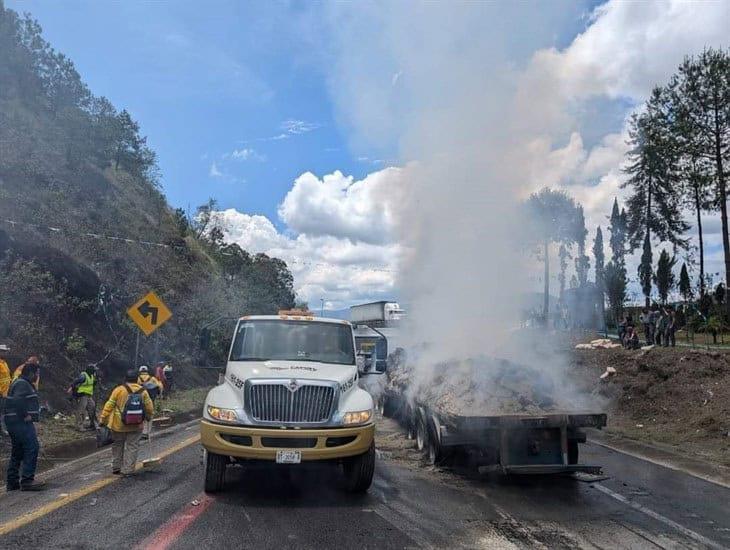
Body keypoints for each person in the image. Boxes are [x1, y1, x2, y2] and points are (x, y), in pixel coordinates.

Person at [100, 369, 154, 476]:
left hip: (118, 425)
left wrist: (103, 420)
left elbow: (108, 406)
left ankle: (116, 467)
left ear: (125, 379)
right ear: (137, 379)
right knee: (132, 446)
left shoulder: (119, 390)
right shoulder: (143, 391)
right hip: (136, 425)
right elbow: (150, 408)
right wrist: (148, 417)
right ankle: (129, 470)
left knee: (117, 445)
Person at [4, 362, 45, 491]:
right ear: (31, 373)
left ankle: (12, 482)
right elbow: (17, 400)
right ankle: (27, 480)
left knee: (18, 451)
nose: (37, 376)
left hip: (14, 422)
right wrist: (25, 415)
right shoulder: (22, 383)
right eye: (37, 374)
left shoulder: (21, 382)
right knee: (32, 447)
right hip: (20, 422)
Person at [71, 364, 98, 431]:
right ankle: (79, 426)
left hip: (89, 395)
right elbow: (75, 382)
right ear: (90, 370)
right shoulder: (83, 376)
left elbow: (93, 384)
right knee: (81, 411)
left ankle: (93, 424)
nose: (95, 371)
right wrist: (74, 393)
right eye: (94, 370)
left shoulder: (92, 376)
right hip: (82, 395)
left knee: (92, 408)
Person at [137, 366, 162, 437]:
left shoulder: (137, 378)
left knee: (140, 414)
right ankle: (146, 432)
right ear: (147, 371)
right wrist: (160, 395)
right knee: (149, 415)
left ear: (140, 371)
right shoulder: (152, 379)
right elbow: (160, 386)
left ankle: (139, 431)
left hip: (139, 400)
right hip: (150, 400)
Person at [0, 344, 12, 437]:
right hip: (1, 392)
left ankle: (3, 429)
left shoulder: (4, 363)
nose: (4, 353)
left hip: (5, 392)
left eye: (5, 351)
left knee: (3, 411)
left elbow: (7, 377)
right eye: (2, 351)